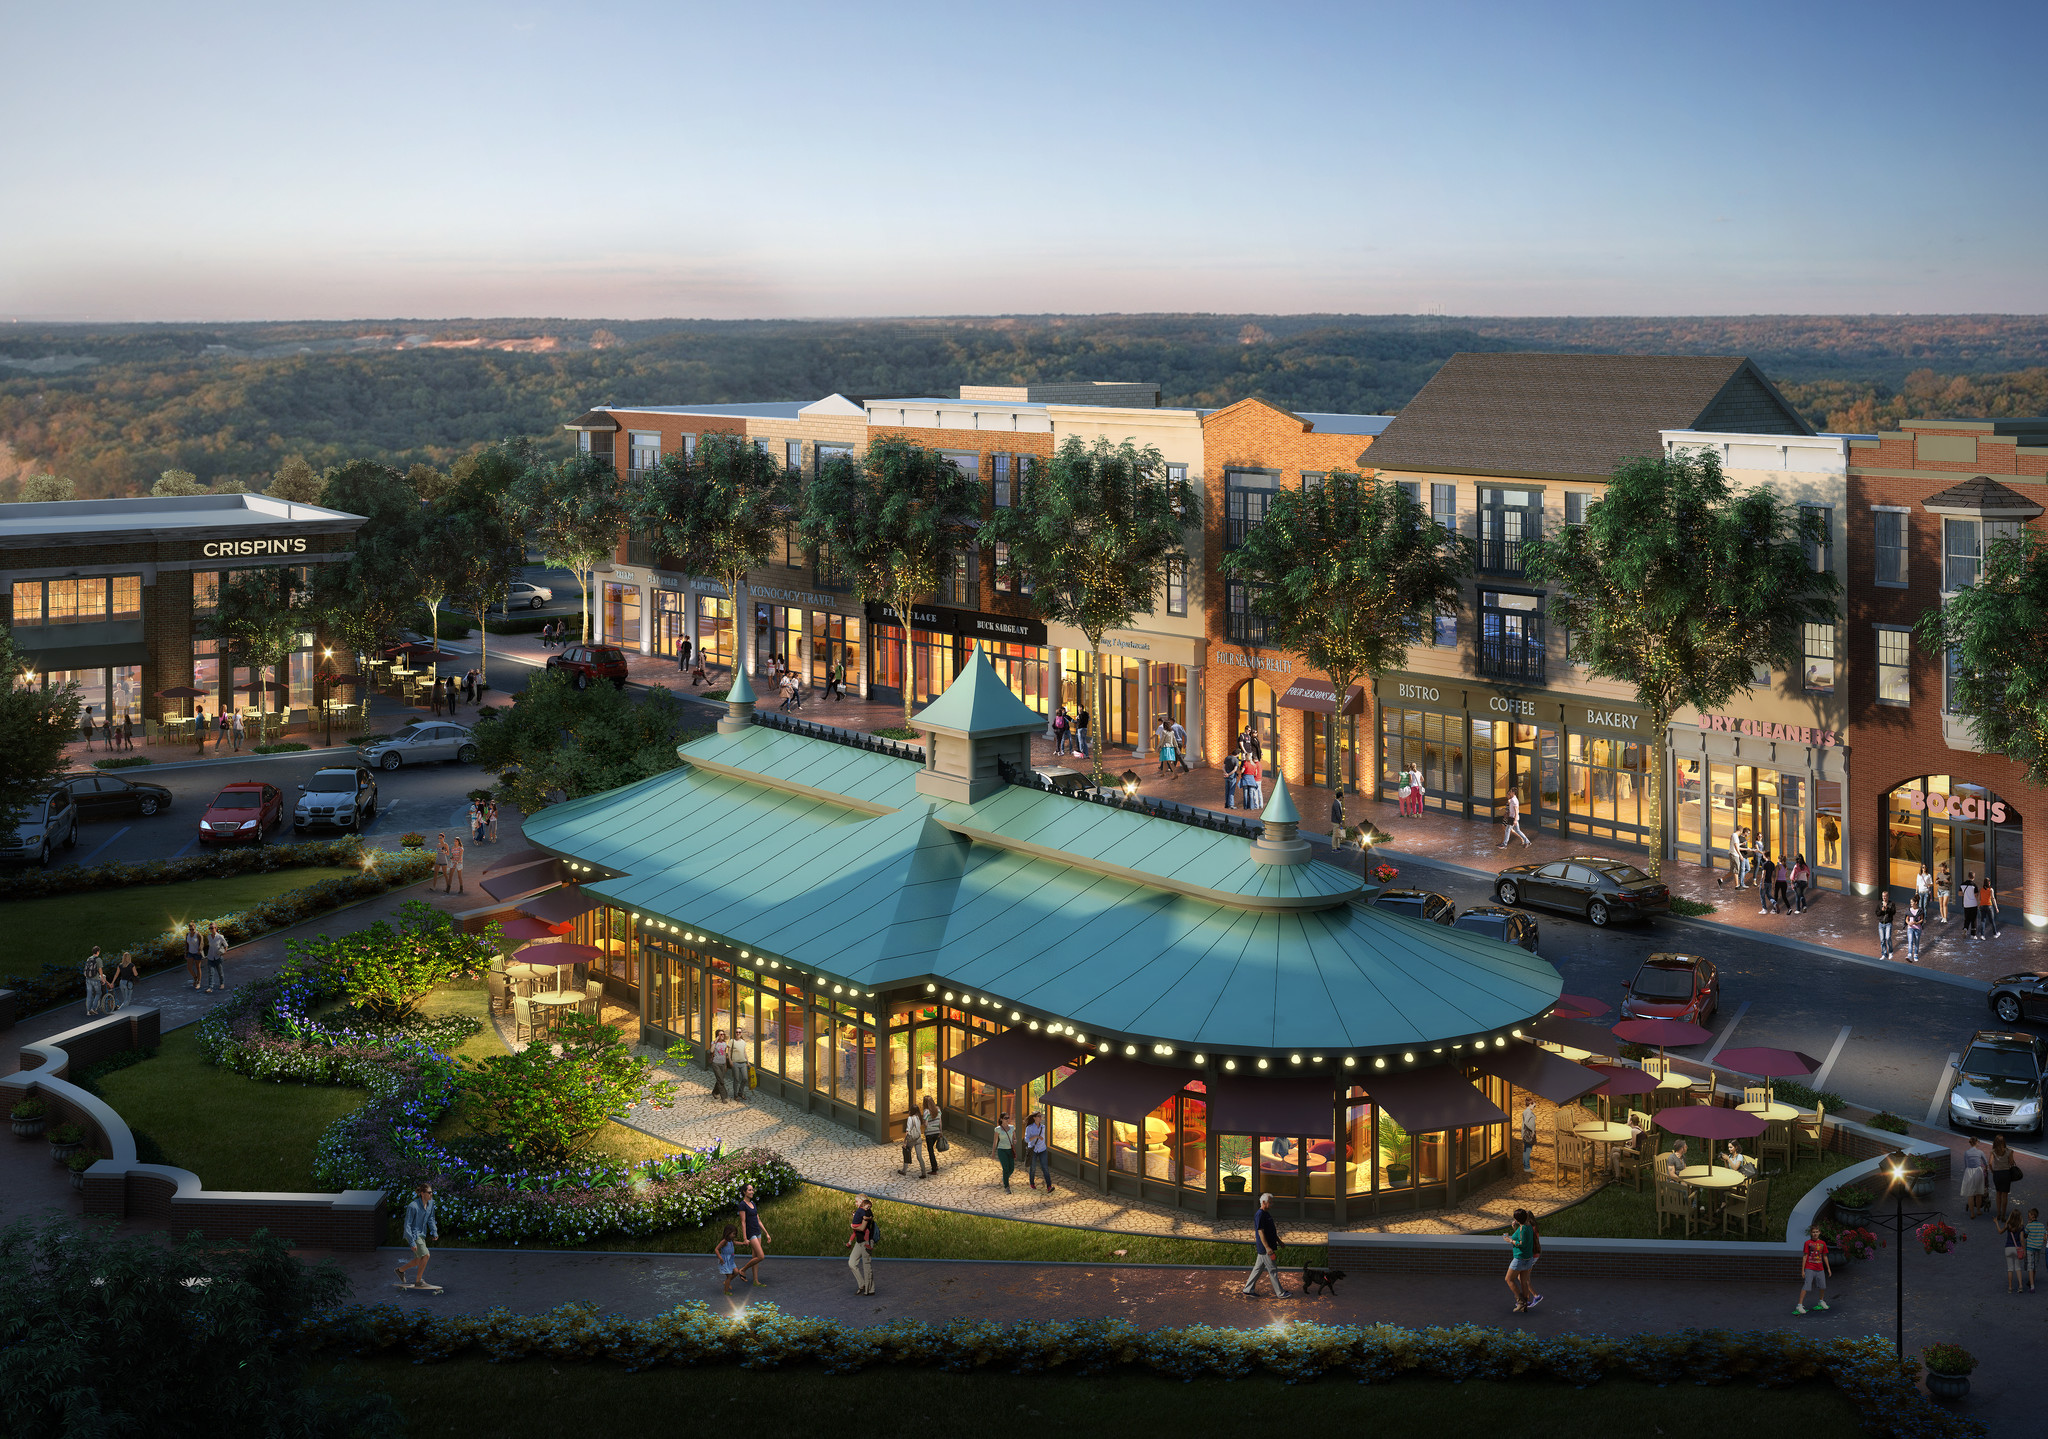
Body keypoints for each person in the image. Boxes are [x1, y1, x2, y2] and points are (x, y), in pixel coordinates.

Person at [1241, 1192, 1288, 1298]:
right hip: (1265, 1248)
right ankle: (1280, 1293)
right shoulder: (1260, 1215)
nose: (1272, 1204)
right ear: (1263, 1202)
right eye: (1270, 1202)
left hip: (1267, 1247)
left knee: (1257, 1269)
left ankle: (1248, 1289)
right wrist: (1267, 1247)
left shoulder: (1266, 1213)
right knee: (1273, 1270)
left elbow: (1271, 1231)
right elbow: (1261, 1232)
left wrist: (1279, 1241)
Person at [397, 1184, 439, 1291]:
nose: (431, 1194)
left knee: (419, 1259)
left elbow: (431, 1219)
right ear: (422, 1194)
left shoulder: (430, 1204)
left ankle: (400, 1270)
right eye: (429, 1192)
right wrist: (411, 1242)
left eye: (431, 1192)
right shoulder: (413, 1206)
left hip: (422, 1234)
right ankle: (418, 1281)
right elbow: (407, 1225)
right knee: (426, 1255)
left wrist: (434, 1232)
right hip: (413, 1234)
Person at [1504, 1207, 1541, 1312]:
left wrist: (1510, 1240)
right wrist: (1515, 1228)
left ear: (1518, 1219)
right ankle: (1525, 1305)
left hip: (1520, 1258)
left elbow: (1522, 1243)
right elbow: (1523, 1237)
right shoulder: (1529, 1226)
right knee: (1523, 1282)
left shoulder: (1523, 1228)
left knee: (1508, 1279)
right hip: (1528, 1258)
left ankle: (1520, 1302)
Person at [735, 1181, 771, 1286]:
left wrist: (766, 1233)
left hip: (757, 1231)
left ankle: (756, 1281)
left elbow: (758, 1220)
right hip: (751, 1233)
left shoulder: (753, 1204)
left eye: (752, 1190)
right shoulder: (742, 1205)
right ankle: (742, 1270)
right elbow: (743, 1222)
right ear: (744, 1192)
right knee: (761, 1256)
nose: (752, 1192)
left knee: (755, 1257)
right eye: (749, 1190)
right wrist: (745, 1238)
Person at [1794, 1223, 1831, 1314]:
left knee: (1823, 1286)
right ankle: (1799, 1305)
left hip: (1820, 1268)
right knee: (1806, 1286)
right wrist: (1802, 1270)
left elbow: (1825, 1256)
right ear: (1811, 1233)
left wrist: (1828, 1268)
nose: (1815, 1234)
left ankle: (1821, 1301)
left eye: (1816, 1232)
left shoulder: (1822, 1243)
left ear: (1819, 1232)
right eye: (1813, 1232)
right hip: (1809, 1268)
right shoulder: (1807, 1243)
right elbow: (1805, 1256)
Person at [846, 1200, 876, 1296]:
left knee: (866, 1265)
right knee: (852, 1262)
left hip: (866, 1241)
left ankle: (869, 1290)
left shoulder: (867, 1213)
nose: (856, 1203)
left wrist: (853, 1227)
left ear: (863, 1202)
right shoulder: (860, 1211)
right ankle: (862, 1284)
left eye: (857, 1201)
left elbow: (862, 1228)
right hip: (859, 1242)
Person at [1990, 1136, 2020, 1222]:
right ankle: (2003, 1215)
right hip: (2006, 1174)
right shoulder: (2009, 1151)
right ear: (2004, 1142)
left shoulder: (1993, 1151)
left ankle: (1998, 1214)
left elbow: (1990, 1163)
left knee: (1998, 1194)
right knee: (2005, 1195)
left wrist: (1993, 1171)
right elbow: (2011, 1163)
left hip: (1997, 1174)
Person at [1023, 1111, 1053, 1191]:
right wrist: (1036, 1136)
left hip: (1042, 1149)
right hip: (1033, 1150)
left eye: (1040, 1116)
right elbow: (1026, 1140)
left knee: (1045, 1168)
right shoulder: (1029, 1128)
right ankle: (1032, 1184)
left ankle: (1049, 1186)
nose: (1040, 1117)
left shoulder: (1043, 1127)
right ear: (1034, 1118)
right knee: (1033, 1168)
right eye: (1038, 1116)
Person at [1960, 1138, 1989, 1219]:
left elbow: (1966, 1164)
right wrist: (1986, 1169)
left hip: (1969, 1171)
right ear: (1976, 1142)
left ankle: (1972, 1213)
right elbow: (1985, 1162)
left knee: (1970, 1194)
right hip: (1978, 1171)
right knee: (1978, 1193)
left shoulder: (1966, 1152)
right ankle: (1978, 1210)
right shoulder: (1980, 1152)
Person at [992, 1111, 1016, 1192]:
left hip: (1010, 1150)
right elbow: (995, 1141)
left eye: (1008, 1118)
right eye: (1005, 1118)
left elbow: (1014, 1138)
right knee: (1005, 1168)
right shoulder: (998, 1129)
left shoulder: (1012, 1127)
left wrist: (1015, 1140)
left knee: (1011, 1169)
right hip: (1001, 1150)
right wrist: (993, 1152)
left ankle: (1004, 1178)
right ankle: (1007, 1186)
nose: (1007, 1119)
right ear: (1001, 1119)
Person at [921, 1095, 945, 1174]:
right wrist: (940, 1131)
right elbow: (940, 1121)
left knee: (930, 1150)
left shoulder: (926, 1111)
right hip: (936, 1132)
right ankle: (935, 1165)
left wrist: (924, 1123)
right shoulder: (938, 1109)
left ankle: (934, 1168)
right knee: (931, 1149)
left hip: (929, 1133)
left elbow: (926, 1124)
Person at [2005, 1210, 2027, 1294]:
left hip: (2008, 1248)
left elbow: (2000, 1231)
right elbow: (2021, 1239)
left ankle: (2010, 1287)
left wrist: (1996, 1223)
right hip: (2017, 1248)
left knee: (2010, 1268)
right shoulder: (2021, 1227)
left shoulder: (2008, 1225)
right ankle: (2020, 1286)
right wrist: (2024, 1250)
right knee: (2018, 1268)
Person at [900, 1104, 926, 1177]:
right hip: (918, 1138)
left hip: (911, 1139)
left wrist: (905, 1142)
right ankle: (924, 1172)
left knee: (906, 1153)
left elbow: (907, 1131)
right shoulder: (919, 1117)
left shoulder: (910, 1118)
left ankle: (904, 1171)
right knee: (919, 1156)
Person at [82, 947, 108, 1016]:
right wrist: (102, 979)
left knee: (89, 995)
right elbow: (100, 970)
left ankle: (88, 1011)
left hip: (88, 979)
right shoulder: (98, 959)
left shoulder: (88, 958)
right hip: (95, 979)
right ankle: (93, 1009)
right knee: (98, 993)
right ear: (98, 952)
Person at [716, 1224, 741, 1296]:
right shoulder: (724, 1241)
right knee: (729, 1276)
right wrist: (720, 1257)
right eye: (733, 1234)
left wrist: (743, 1243)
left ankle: (726, 1282)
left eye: (735, 1234)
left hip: (731, 1260)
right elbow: (716, 1249)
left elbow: (736, 1243)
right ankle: (726, 1291)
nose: (734, 1235)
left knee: (736, 1272)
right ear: (728, 1233)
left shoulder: (731, 1241)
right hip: (725, 1261)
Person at [710, 1029, 734, 1102]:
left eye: (723, 1034)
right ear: (717, 1036)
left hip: (723, 1064)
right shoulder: (714, 1043)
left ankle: (714, 1092)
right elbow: (711, 1050)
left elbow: (724, 1054)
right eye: (721, 1034)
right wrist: (715, 1041)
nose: (723, 1035)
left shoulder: (724, 1044)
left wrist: (726, 1065)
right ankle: (724, 1097)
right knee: (721, 1081)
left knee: (720, 1080)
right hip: (716, 1064)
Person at [205, 921, 228, 992]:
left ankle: (222, 983)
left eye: (212, 928)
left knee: (220, 972)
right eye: (209, 928)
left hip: (218, 957)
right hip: (210, 957)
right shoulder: (209, 937)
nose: (211, 929)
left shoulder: (220, 936)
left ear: (216, 928)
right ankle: (210, 987)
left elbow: (226, 945)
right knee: (210, 973)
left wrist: (224, 952)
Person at [2026, 1207, 2044, 1294]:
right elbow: (2044, 1236)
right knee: (2035, 1266)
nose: (2028, 1216)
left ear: (2033, 1216)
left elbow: (2025, 1234)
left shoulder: (2029, 1225)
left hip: (2030, 1247)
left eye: (2029, 1215)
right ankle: (2031, 1280)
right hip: (2038, 1248)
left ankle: (2032, 1285)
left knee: (2030, 1266)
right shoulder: (2042, 1225)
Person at [1875, 891, 1897, 960]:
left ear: (1888, 896)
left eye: (1885, 896)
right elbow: (1877, 913)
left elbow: (1893, 912)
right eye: (1883, 896)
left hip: (1888, 923)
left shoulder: (1891, 904)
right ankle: (1884, 954)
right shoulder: (1879, 904)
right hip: (1881, 924)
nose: (1884, 898)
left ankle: (1890, 952)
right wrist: (1881, 910)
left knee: (1888, 937)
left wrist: (1887, 908)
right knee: (1882, 940)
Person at [184, 922, 204, 991]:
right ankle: (195, 978)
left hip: (197, 953)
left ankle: (198, 982)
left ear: (195, 928)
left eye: (192, 929)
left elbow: (202, 943)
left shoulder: (198, 935)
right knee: (189, 967)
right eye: (190, 929)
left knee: (198, 967)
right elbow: (186, 944)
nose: (191, 931)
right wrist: (185, 952)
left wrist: (199, 950)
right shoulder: (187, 934)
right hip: (190, 953)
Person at [1520, 1099, 1537, 1176]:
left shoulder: (1525, 1111)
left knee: (1526, 1150)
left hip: (1525, 1133)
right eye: (1534, 1105)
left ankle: (1525, 1165)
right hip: (1528, 1134)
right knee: (1528, 1150)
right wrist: (1532, 1130)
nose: (1534, 1107)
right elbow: (1526, 1122)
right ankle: (1527, 1167)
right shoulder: (1529, 1112)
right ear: (1530, 1104)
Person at [1961, 873, 1980, 940]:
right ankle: (1973, 935)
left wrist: (1966, 894)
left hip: (1966, 904)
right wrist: (1978, 904)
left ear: (1968, 876)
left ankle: (1965, 928)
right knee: (1973, 920)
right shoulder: (1974, 885)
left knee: (1967, 918)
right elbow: (1976, 895)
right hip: (1973, 904)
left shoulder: (1962, 884)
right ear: (1973, 877)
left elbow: (1959, 893)